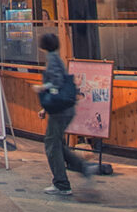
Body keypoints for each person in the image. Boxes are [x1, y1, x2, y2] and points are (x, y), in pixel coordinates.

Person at [36, 27, 96, 196]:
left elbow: (56, 84)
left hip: (60, 111)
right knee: (57, 143)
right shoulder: (56, 58)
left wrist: (41, 88)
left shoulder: (52, 60)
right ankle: (83, 168)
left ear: (43, 46)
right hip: (64, 110)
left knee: (52, 144)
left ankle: (62, 184)